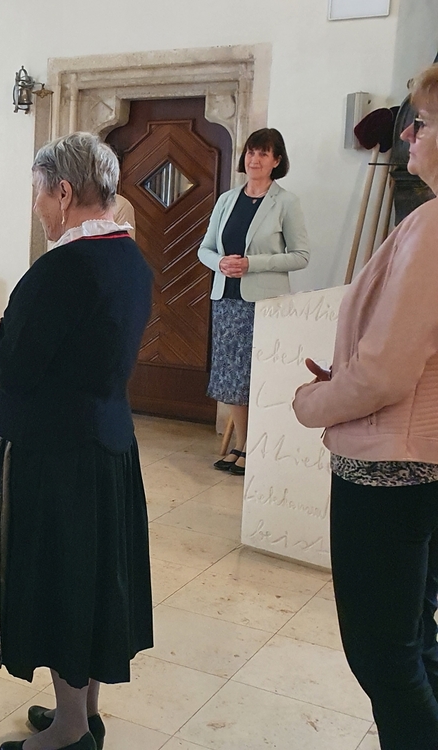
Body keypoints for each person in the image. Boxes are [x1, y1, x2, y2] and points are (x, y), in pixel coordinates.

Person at [0, 132, 153, 750]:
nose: (35, 205)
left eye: (37, 192)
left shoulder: (61, 268)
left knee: (61, 581)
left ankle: (69, 729)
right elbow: (79, 339)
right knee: (92, 580)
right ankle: (86, 713)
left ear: (62, 191)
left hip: (56, 453)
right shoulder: (128, 258)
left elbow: (18, 369)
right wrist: (9, 328)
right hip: (108, 442)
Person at [293, 64, 438, 750]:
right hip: (421, 457)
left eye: (422, 122)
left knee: (384, 657)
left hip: (391, 466)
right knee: (414, 643)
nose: (407, 134)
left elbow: (386, 371)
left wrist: (315, 401)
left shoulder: (432, 227)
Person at [197, 128, 309, 475]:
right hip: (226, 299)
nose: (254, 159)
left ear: (277, 161)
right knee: (232, 379)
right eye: (250, 152)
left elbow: (301, 255)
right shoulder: (227, 200)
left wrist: (252, 264)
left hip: (264, 303)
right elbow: (205, 249)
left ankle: (255, 447)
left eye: (263, 153)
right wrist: (220, 263)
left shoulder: (286, 202)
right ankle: (242, 444)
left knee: (255, 377)